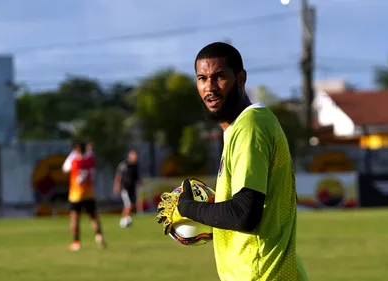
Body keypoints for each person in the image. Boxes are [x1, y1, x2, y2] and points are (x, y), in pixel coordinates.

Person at [156, 42, 308, 280]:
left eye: (219, 77)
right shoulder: (244, 127)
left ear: (241, 78)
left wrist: (189, 209)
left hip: (259, 275)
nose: (210, 87)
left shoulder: (250, 127)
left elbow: (244, 214)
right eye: (202, 78)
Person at [68, 141, 107, 251]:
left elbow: (67, 169)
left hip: (76, 195)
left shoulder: (75, 161)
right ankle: (99, 235)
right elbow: (90, 156)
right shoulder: (90, 160)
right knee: (94, 216)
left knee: (75, 218)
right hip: (89, 193)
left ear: (77, 150)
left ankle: (76, 242)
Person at [114, 150, 140, 228]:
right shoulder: (124, 165)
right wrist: (116, 186)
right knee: (128, 204)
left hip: (132, 188)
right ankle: (125, 220)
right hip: (125, 188)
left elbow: (136, 177)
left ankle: (125, 219)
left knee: (130, 205)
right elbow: (118, 176)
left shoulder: (135, 166)